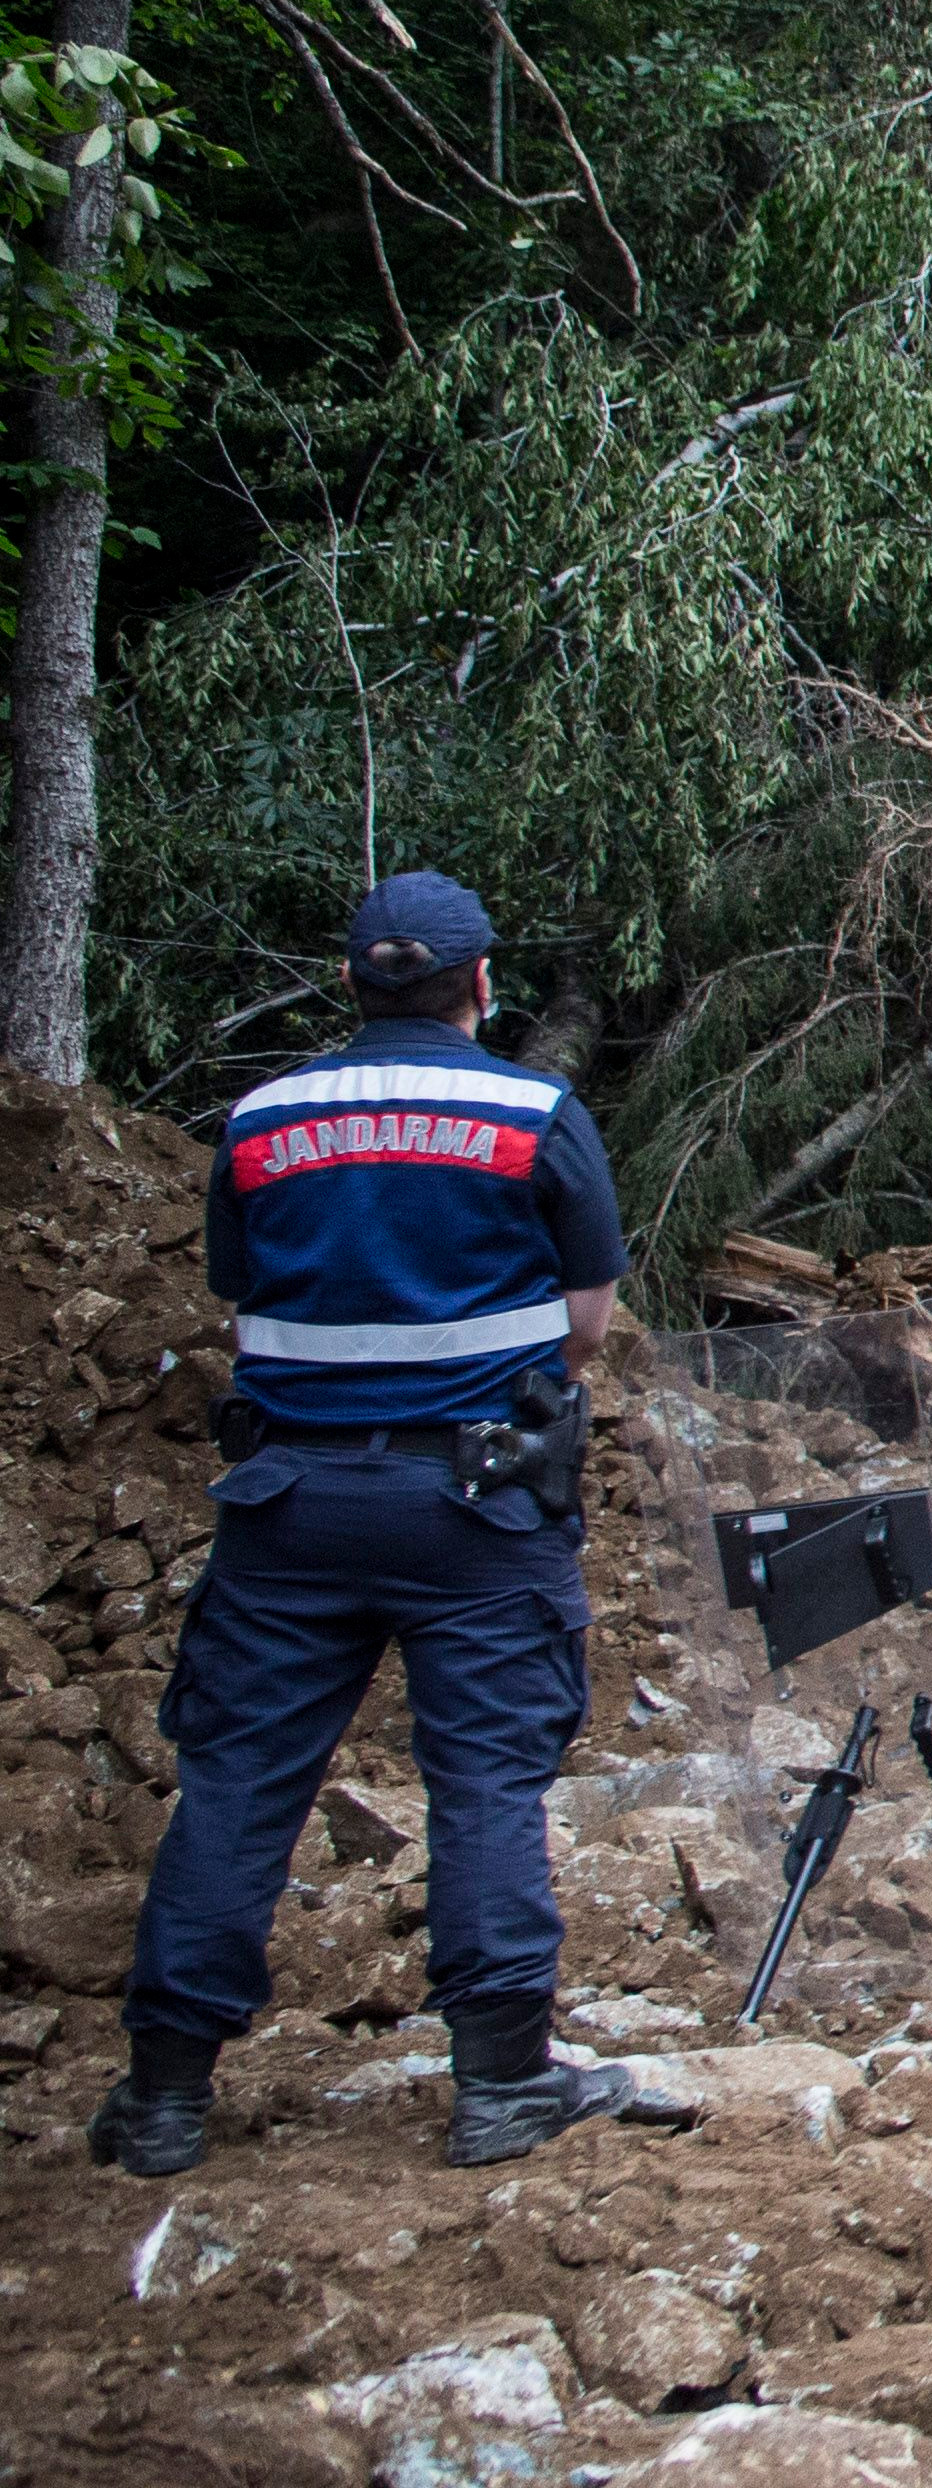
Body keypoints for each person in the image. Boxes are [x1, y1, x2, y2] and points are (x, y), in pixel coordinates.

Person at [93, 871, 698, 2179]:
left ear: (352, 983)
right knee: (484, 1779)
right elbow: (587, 1325)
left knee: (240, 1785)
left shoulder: (262, 1120)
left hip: (288, 1505)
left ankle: (160, 2099)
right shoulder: (534, 1115)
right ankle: (498, 2083)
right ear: (480, 986)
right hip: (476, 1507)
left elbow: (239, 1297)